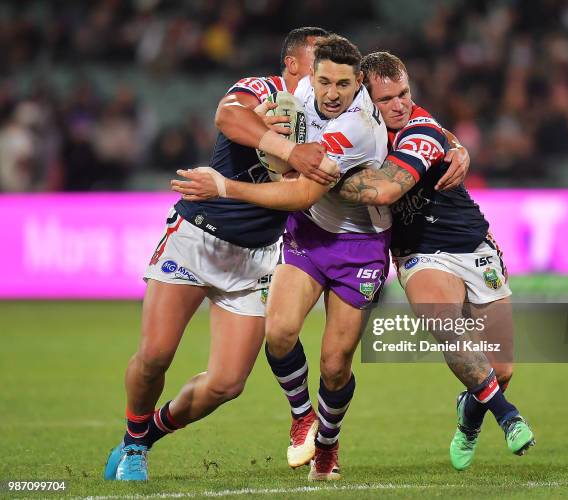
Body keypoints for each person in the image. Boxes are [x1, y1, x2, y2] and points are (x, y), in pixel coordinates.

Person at [103, 26, 334, 481]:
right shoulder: (260, 90)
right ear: (291, 64)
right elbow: (227, 116)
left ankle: (142, 440)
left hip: (255, 258)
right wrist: (287, 148)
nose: (325, 78)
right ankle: (132, 444)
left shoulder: (326, 119)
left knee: (228, 383)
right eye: (317, 65)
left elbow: (301, 194)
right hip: (197, 238)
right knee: (155, 355)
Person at [172, 34, 392, 481]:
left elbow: (299, 193)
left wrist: (224, 187)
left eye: (343, 86)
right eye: (324, 81)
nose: (331, 94)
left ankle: (327, 444)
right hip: (309, 234)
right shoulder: (304, 91)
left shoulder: (356, 128)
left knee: (335, 362)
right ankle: (302, 417)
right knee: (279, 333)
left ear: (358, 87)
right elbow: (240, 118)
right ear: (311, 75)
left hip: (360, 243)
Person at [335, 51, 535, 469]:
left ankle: (469, 415)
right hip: (420, 253)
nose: (400, 105)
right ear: (367, 101)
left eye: (404, 93)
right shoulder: (358, 132)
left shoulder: (422, 129)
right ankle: (507, 417)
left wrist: (330, 181)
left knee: (501, 370)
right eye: (387, 98)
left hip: (473, 244)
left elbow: (386, 191)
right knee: (446, 323)